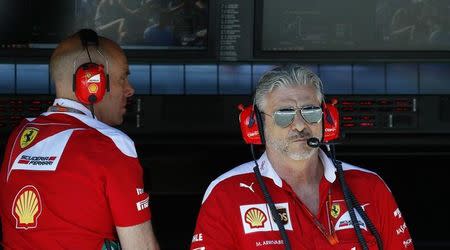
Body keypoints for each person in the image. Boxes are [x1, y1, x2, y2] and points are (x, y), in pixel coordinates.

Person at [190, 65, 414, 249]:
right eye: (284, 114)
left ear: (327, 118)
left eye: (310, 111)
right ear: (257, 124)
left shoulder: (371, 186)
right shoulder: (226, 193)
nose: (299, 125)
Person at [0, 29, 159, 249]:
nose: (130, 90)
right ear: (91, 82)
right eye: (123, 78)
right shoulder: (111, 144)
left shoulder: (18, 137)